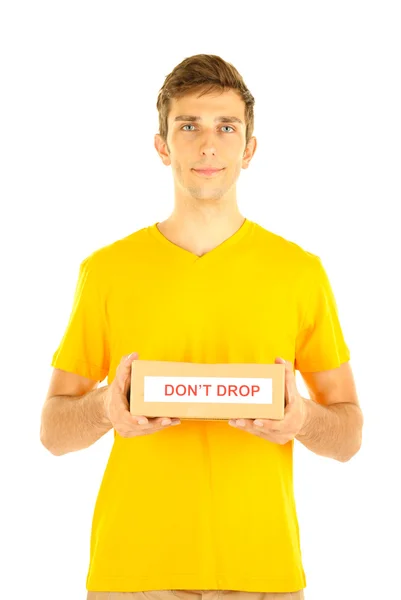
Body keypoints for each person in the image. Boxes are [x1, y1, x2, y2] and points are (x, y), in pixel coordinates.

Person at [40, 54, 364, 600]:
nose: (207, 145)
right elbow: (52, 430)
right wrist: (105, 408)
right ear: (163, 146)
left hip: (265, 576)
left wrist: (302, 418)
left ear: (249, 148)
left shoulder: (298, 272)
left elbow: (349, 434)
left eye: (226, 127)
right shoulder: (107, 271)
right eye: (188, 126)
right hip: (134, 577)